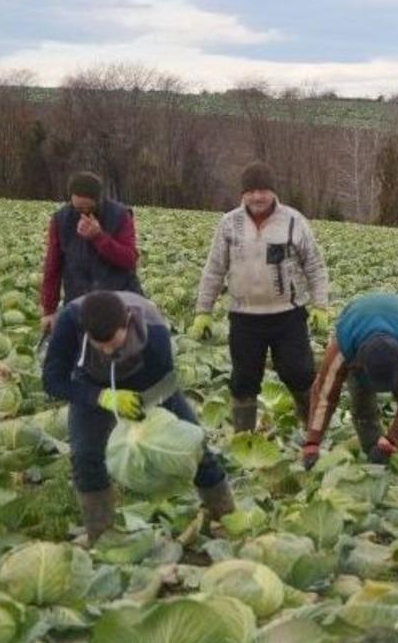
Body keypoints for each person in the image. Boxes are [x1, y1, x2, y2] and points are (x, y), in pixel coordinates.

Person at [42, 291, 232, 543]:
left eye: (114, 342)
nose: (109, 350)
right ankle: (101, 535)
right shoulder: (70, 323)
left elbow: (164, 380)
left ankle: (225, 515)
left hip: (150, 384)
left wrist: (145, 418)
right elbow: (52, 381)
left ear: (127, 322)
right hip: (93, 385)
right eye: (101, 345)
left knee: (193, 443)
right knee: (85, 456)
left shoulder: (154, 330)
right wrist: (101, 397)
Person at [192, 161, 330, 433]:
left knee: (299, 373)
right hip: (244, 316)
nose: (257, 197)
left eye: (263, 190)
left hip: (288, 315)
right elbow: (215, 268)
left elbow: (314, 266)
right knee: (244, 379)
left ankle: (313, 431)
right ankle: (244, 436)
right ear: (243, 193)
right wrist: (202, 311)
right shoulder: (230, 223)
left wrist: (320, 305)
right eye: (251, 191)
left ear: (273, 192)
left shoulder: (293, 221)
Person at [301, 292, 398, 474]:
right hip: (358, 325)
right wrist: (313, 442)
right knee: (362, 407)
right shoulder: (342, 350)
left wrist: (392, 440)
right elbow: (324, 395)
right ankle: (374, 458)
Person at [40, 171, 143, 334]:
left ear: (99, 199)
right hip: (80, 302)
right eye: (78, 209)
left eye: (89, 209)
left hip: (120, 301)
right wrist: (49, 310)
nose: (83, 214)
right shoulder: (60, 220)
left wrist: (99, 237)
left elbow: (129, 259)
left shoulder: (120, 216)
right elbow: (53, 267)